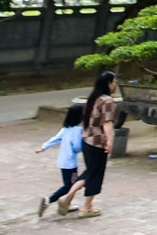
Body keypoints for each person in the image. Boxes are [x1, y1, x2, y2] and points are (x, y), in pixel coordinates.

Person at [60, 71, 118, 218]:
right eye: (114, 81)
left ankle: (68, 197)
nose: (115, 84)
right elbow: (107, 123)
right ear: (109, 83)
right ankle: (86, 208)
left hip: (87, 140)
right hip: (98, 143)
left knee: (90, 172)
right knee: (96, 175)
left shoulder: (93, 99)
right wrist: (110, 141)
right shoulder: (107, 101)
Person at [36, 103, 84, 217]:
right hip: (71, 163)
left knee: (69, 184)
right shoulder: (78, 130)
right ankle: (49, 200)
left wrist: (43, 147)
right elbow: (77, 146)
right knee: (70, 185)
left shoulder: (66, 128)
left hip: (63, 161)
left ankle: (68, 203)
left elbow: (55, 138)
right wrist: (85, 147)